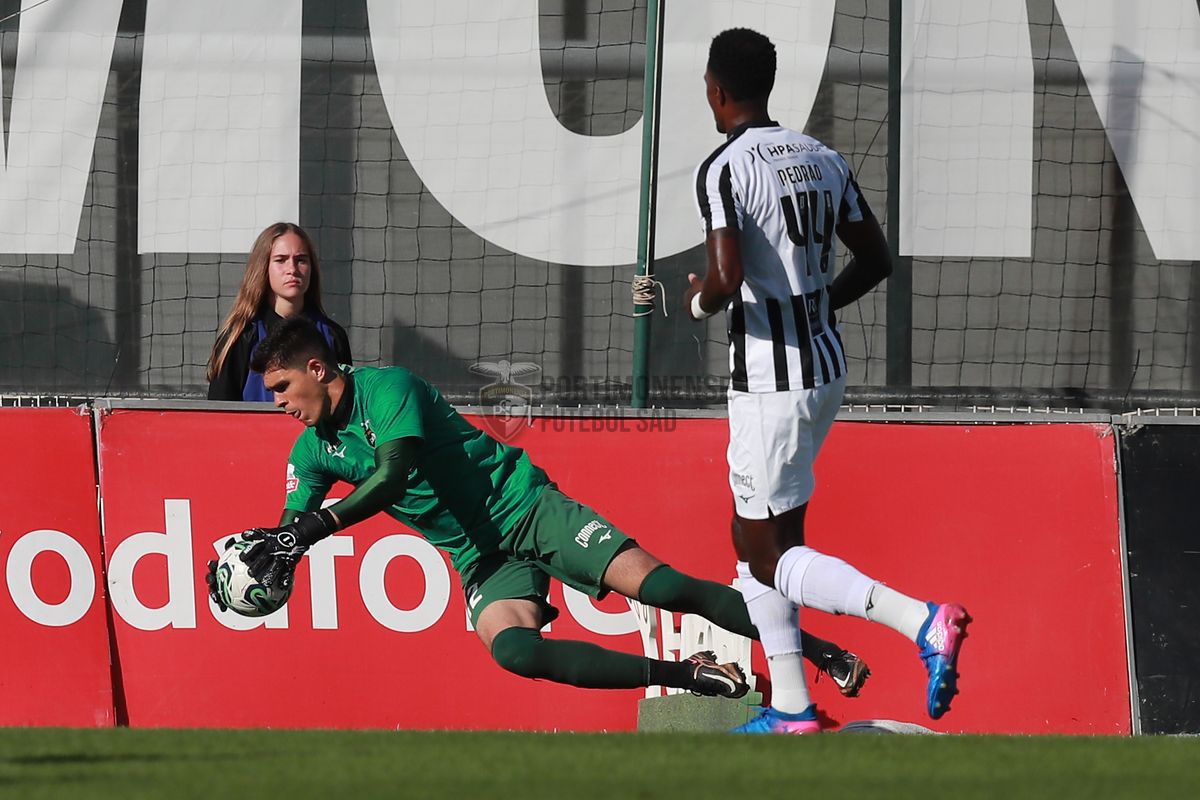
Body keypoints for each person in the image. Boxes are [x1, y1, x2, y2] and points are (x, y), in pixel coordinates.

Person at [204, 316, 871, 700]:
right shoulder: (311, 449)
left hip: (522, 505)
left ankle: (818, 650)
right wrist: (265, 554)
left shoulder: (389, 389)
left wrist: (317, 528)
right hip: (477, 553)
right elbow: (294, 521)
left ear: (319, 371)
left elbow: (394, 471)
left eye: (283, 387)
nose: (280, 402)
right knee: (515, 652)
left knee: (665, 587)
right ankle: (690, 676)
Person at [683, 28, 970, 733]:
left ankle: (921, 621)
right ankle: (790, 707)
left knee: (765, 552)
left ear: (716, 89)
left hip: (768, 385)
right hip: (823, 371)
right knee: (767, 540)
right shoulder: (822, 158)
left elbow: (726, 278)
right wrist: (818, 306)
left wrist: (695, 301)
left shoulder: (725, 168)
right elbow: (876, 260)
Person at [206, 222, 352, 401]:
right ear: (263, 268)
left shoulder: (333, 336)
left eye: (301, 260)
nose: (292, 269)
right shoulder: (240, 337)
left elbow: (345, 409)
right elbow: (218, 416)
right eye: (280, 260)